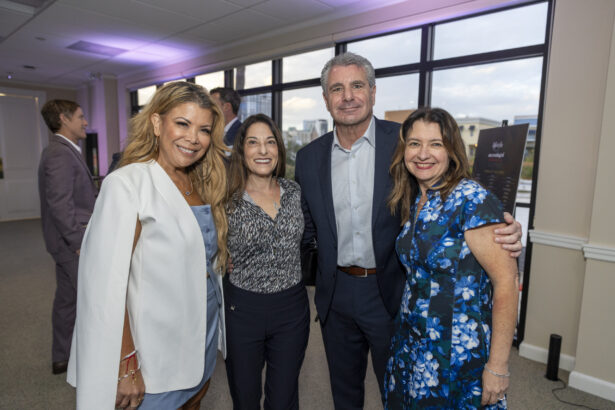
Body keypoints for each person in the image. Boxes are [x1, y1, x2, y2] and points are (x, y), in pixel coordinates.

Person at [294, 52, 523, 409]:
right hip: (336, 295)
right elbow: (305, 229)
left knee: (398, 393)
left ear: (372, 92)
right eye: (336, 89)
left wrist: (505, 229)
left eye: (357, 85)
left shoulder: (403, 142)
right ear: (326, 98)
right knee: (348, 393)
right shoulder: (309, 158)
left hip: (392, 294)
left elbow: (461, 199)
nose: (348, 96)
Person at [66, 82, 229, 410]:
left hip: (201, 335)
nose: (193, 138)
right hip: (153, 350)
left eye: (204, 129)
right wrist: (125, 365)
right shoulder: (127, 185)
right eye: (182, 124)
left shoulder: (199, 183)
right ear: (157, 123)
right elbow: (105, 288)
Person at [384, 107, 518, 409]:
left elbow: (506, 284)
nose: (423, 153)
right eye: (415, 143)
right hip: (412, 342)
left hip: (456, 352)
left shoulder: (472, 200)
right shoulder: (416, 197)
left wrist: (498, 367)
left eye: (436, 144)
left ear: (451, 150)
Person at [225, 114, 310, 409]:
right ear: (241, 150)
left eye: (270, 142)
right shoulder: (226, 199)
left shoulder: (295, 193)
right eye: (253, 142)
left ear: (279, 149)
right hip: (243, 311)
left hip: (291, 309)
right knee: (245, 398)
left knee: (284, 399)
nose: (263, 150)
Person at [38, 99, 98, 375]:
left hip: (64, 242)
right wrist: (77, 243)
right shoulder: (60, 154)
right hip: (71, 243)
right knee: (89, 300)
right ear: (64, 119)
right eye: (81, 116)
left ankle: (62, 356)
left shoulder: (64, 150)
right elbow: (60, 204)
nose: (86, 122)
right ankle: (89, 360)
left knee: (67, 300)